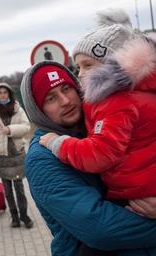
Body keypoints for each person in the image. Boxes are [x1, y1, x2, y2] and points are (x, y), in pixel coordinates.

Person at [20, 60, 156, 255]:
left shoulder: (100, 130)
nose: (65, 101)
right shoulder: (41, 158)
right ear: (38, 111)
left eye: (66, 88)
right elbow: (100, 228)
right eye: (51, 98)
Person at [39, 9, 156, 202]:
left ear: (112, 66)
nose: (80, 74)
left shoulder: (117, 102)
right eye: (78, 67)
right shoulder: (136, 92)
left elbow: (100, 154)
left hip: (138, 193)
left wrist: (57, 143)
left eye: (88, 65)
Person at [0, 82, 33, 228]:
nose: (3, 95)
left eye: (5, 92)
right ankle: (14, 217)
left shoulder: (17, 108)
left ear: (9, 94)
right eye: (0, 93)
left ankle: (24, 215)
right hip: (0, 155)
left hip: (16, 153)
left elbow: (26, 127)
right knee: (7, 190)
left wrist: (10, 129)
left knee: (19, 188)